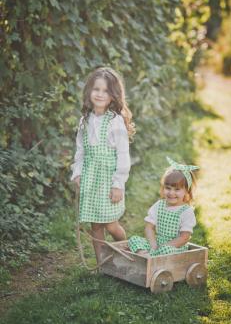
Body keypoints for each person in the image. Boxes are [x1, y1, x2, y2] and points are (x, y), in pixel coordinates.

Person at [71, 66, 135, 264]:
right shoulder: (85, 121)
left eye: (105, 90)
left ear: (113, 95)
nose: (99, 94)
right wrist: (78, 173)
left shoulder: (115, 122)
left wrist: (118, 184)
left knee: (110, 223)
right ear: (89, 91)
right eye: (96, 89)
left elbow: (123, 156)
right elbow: (80, 151)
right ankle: (102, 264)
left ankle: (126, 254)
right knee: (95, 225)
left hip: (108, 180)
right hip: (91, 179)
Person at [128, 157, 199, 257]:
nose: (171, 193)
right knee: (134, 239)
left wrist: (164, 247)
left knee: (166, 250)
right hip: (157, 243)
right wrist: (153, 246)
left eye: (177, 189)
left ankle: (150, 258)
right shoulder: (159, 205)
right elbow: (149, 227)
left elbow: (184, 237)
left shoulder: (186, 211)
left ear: (186, 191)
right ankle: (145, 256)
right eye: (168, 188)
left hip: (174, 247)